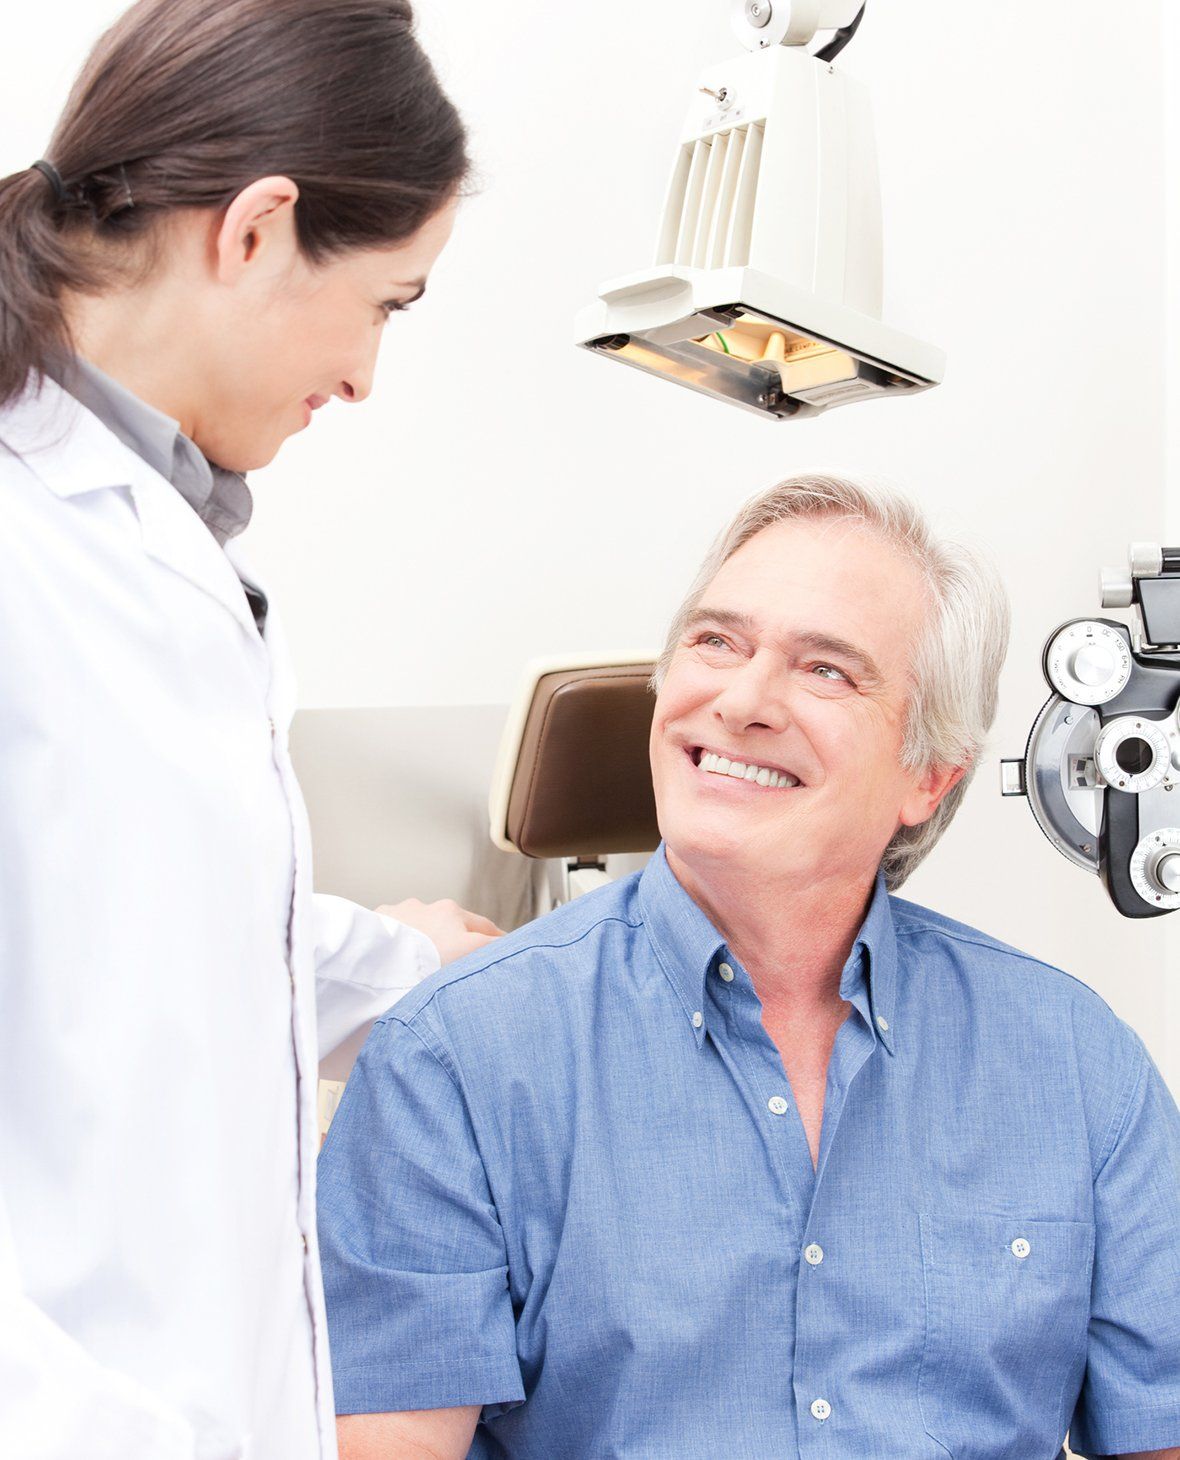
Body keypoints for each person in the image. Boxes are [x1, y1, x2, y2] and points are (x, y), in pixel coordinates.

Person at [318, 474, 1180, 1460]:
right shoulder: (456, 1056)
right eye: (715, 640)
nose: (741, 699)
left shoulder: (1074, 1063)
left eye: (826, 670)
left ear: (928, 773)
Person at [0, 2, 502, 1456]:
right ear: (260, 229)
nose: (363, 375)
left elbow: (136, 925)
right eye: (388, 302)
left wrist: (408, 968)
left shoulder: (157, 534)